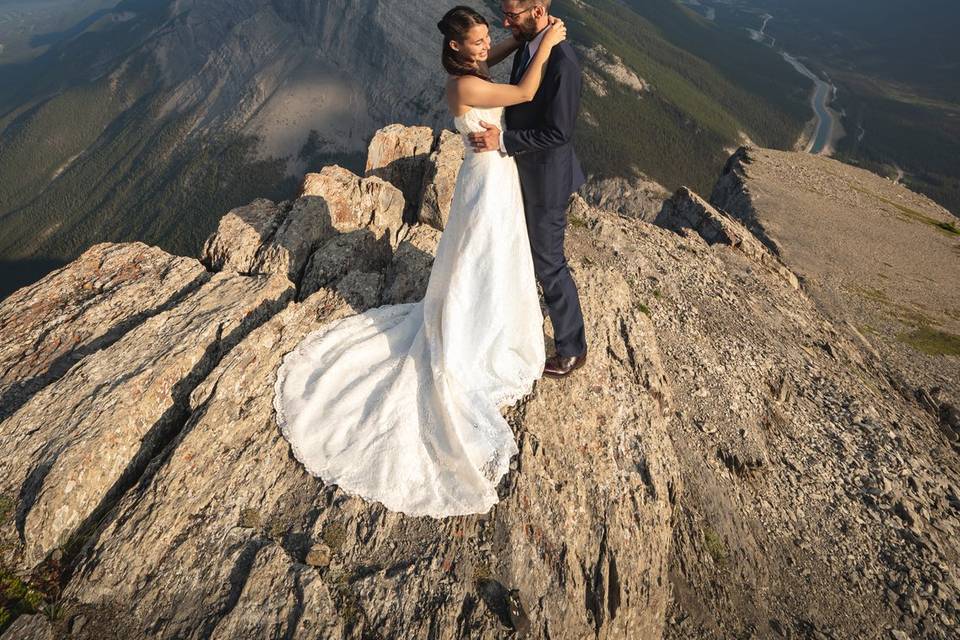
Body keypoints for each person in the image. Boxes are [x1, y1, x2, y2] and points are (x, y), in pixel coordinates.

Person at [273, 6, 568, 518]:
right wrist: (547, 43)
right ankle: (477, 332)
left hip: (492, 177)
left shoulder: (467, 70)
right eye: (476, 41)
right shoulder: (465, 88)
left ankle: (488, 318)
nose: (484, 46)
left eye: (484, 38)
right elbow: (523, 94)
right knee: (482, 255)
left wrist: (519, 39)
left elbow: (495, 56)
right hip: (488, 181)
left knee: (488, 258)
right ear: (456, 48)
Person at [469, 0, 588, 377]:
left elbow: (558, 132)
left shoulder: (562, 62)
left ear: (538, 10)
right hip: (526, 173)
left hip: (547, 180)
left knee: (549, 263)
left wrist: (503, 141)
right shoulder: (532, 42)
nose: (505, 22)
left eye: (512, 16)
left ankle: (572, 348)